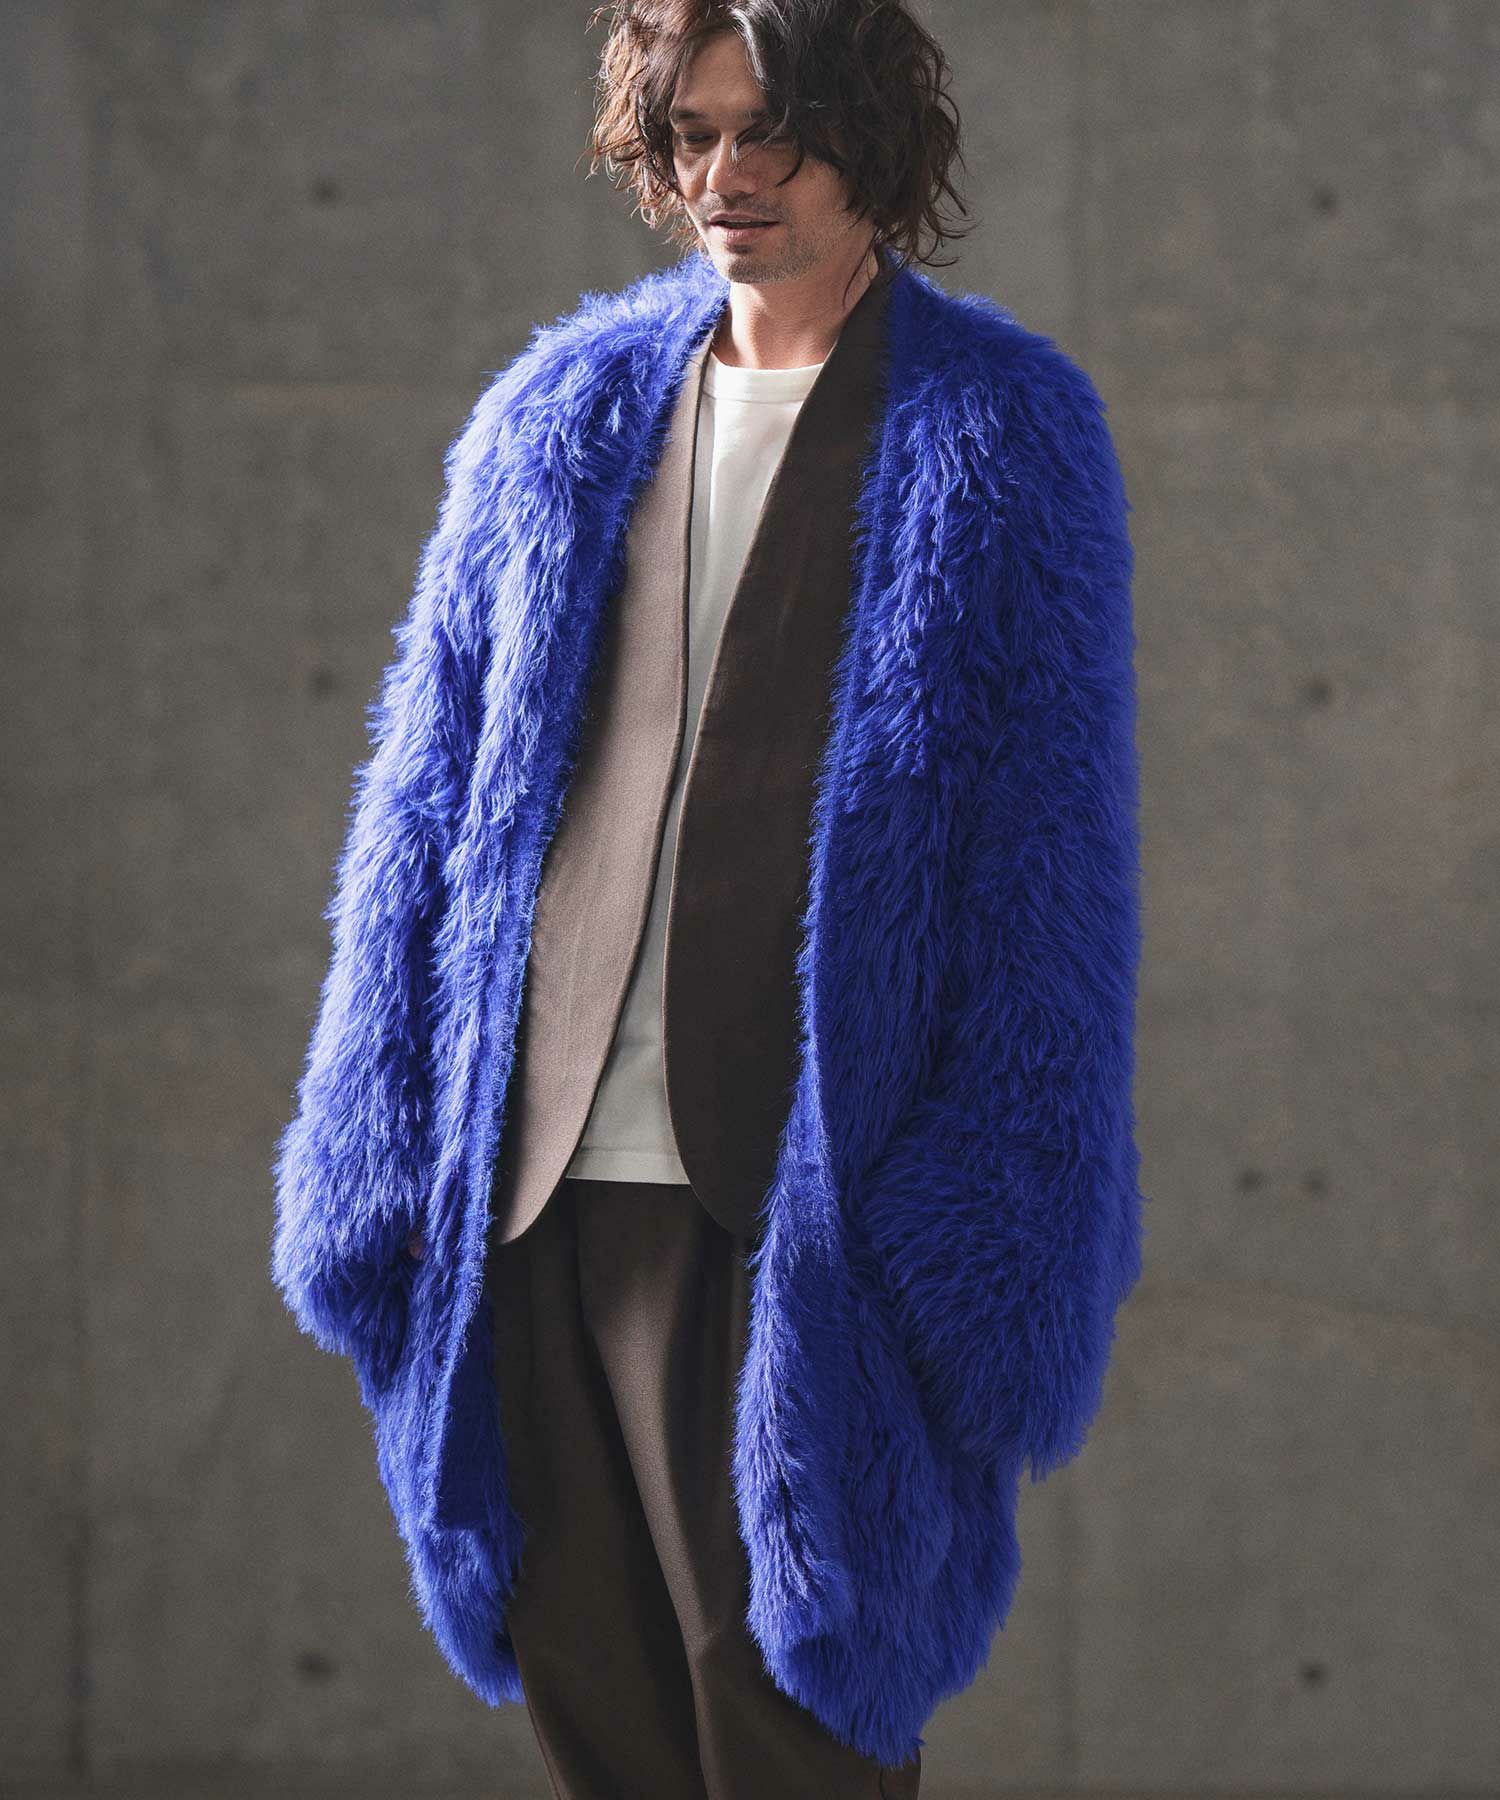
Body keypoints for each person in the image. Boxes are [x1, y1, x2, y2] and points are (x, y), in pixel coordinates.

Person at [271, 3, 1146, 1796]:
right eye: (692, 135)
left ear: (869, 139)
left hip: (801, 1207)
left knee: (790, 1735)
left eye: (773, 131)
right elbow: (426, 813)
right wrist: (380, 1147)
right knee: (604, 1723)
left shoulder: (996, 432)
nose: (728, 176)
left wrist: (966, 1240)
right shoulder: (561, 415)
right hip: (533, 1187)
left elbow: (1047, 873)